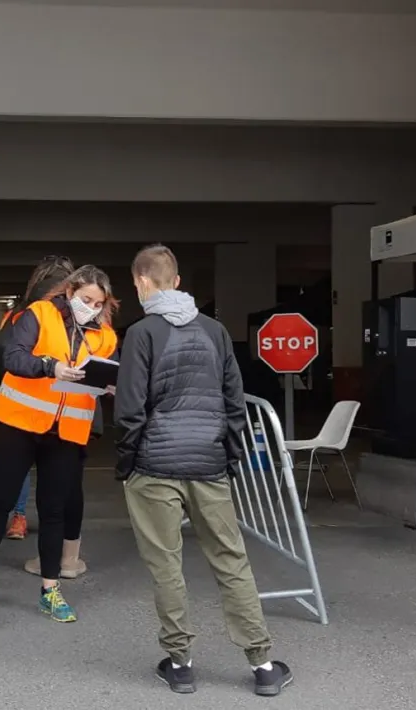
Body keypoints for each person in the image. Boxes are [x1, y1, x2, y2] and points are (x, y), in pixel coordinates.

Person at [115, 245, 291, 697]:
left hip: (154, 465)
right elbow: (235, 402)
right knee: (232, 561)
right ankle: (263, 664)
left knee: (166, 564)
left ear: (141, 283)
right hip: (209, 462)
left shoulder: (140, 333)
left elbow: (131, 408)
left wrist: (126, 464)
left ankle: (181, 663)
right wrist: (228, 457)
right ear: (176, 281)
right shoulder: (215, 331)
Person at [0, 265, 118, 624]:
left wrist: (108, 385)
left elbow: (105, 372)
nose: (90, 306)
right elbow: (13, 358)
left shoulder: (105, 336)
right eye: (85, 299)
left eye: (97, 302)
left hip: (66, 433)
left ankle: (50, 589)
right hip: (20, 425)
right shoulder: (39, 314)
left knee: (53, 512)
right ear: (70, 290)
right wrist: (49, 367)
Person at [0, 255, 76, 542]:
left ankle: (18, 517)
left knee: (18, 470)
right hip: (67, 409)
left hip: (22, 406)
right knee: (58, 474)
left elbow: (4, 356)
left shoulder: (19, 313)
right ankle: (61, 532)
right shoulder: (77, 313)